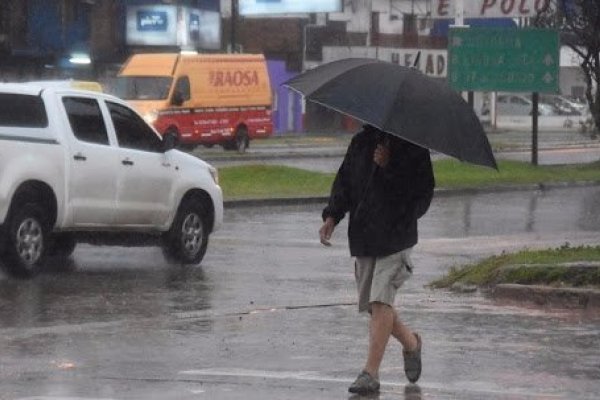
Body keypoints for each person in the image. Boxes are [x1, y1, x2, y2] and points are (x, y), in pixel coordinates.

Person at [319, 124, 434, 395]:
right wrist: (332, 216)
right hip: (364, 235)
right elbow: (345, 182)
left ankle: (370, 373)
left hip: (396, 236)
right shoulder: (361, 142)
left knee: (381, 301)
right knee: (374, 306)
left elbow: (422, 194)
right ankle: (411, 343)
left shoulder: (412, 146)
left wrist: (390, 167)